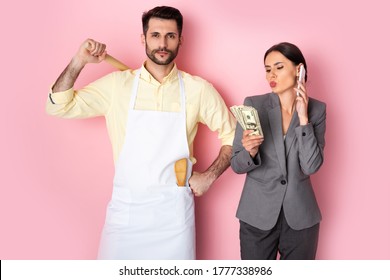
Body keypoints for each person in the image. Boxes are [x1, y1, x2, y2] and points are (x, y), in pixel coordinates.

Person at [46, 6, 236, 260]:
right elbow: (58, 105)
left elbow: (234, 136)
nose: (163, 43)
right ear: (143, 38)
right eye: (155, 35)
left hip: (175, 218)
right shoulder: (117, 86)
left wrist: (210, 176)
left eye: (170, 36)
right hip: (126, 217)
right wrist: (79, 60)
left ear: (181, 40)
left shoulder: (197, 90)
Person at [231, 42, 326, 260]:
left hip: (301, 219)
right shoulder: (254, 104)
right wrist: (249, 152)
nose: (271, 75)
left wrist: (304, 119)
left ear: (299, 69)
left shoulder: (317, 110)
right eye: (267, 69)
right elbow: (237, 164)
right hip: (257, 215)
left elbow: (311, 166)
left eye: (279, 67)